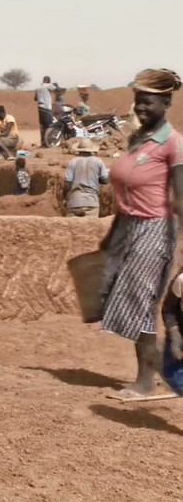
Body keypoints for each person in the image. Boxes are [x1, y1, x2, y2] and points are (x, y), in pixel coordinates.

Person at [99, 68, 183, 397]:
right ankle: (154, 370)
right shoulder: (139, 139)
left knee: (140, 303)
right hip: (129, 227)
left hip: (155, 229)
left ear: (166, 103)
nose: (140, 107)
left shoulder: (173, 143)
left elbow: (181, 199)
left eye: (148, 101)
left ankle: (146, 380)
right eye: (137, 100)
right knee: (126, 301)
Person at [62, 138, 108, 217]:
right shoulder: (98, 162)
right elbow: (105, 180)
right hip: (91, 203)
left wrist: (64, 198)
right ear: (91, 150)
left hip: (75, 202)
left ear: (79, 150)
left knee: (72, 224)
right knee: (91, 224)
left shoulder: (73, 162)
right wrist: (95, 177)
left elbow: (68, 184)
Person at [35, 76, 53, 147]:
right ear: (48, 81)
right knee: (49, 126)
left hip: (40, 108)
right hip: (47, 108)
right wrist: (56, 85)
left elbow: (35, 98)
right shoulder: (48, 86)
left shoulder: (38, 88)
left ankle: (43, 143)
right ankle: (48, 142)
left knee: (42, 126)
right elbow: (57, 90)